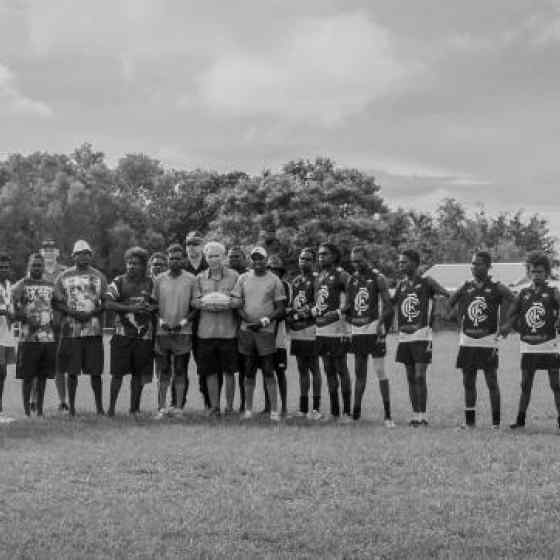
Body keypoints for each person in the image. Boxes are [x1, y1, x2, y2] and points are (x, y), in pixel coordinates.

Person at [448, 251, 513, 429]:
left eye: (478, 264)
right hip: (467, 341)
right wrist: (456, 316)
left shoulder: (497, 287)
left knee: (491, 381)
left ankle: (496, 424)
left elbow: (516, 302)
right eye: (472, 264)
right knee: (468, 381)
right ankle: (470, 423)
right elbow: (450, 303)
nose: (474, 267)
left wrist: (507, 324)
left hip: (488, 340)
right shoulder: (465, 286)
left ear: (488, 266)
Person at [501, 253, 560, 431]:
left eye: (540, 272)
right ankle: (520, 420)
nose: (536, 275)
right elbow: (512, 313)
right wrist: (509, 327)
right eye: (533, 272)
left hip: (550, 345)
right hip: (528, 346)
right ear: (529, 273)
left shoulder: (553, 292)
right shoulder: (523, 293)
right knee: (526, 384)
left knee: (556, 385)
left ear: (547, 273)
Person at [393, 249, 449, 426]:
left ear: (415, 264)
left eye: (405, 262)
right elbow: (391, 304)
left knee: (419, 376)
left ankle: (423, 415)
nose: (401, 265)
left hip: (422, 336)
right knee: (410, 377)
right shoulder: (401, 284)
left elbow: (446, 295)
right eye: (400, 262)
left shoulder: (427, 282)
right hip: (404, 336)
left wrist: (438, 311)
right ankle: (415, 415)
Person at [231, 246, 286, 422]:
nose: (258, 262)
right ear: (251, 261)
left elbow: (280, 309)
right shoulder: (243, 278)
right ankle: (248, 409)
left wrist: (263, 321)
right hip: (247, 331)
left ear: (266, 260)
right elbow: (237, 304)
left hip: (266, 331)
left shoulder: (274, 280)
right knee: (248, 370)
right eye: (254, 259)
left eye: (261, 259)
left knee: (269, 371)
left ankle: (274, 411)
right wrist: (248, 321)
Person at [54, 240, 107, 416]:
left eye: (87, 253)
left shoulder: (99, 276)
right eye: (79, 253)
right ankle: (72, 409)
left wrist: (91, 313)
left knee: (96, 372)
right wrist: (73, 313)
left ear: (91, 255)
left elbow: (106, 302)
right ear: (73, 256)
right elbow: (57, 302)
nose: (83, 256)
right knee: (72, 371)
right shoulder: (63, 276)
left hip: (93, 330)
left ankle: (99, 408)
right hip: (71, 331)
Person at [345, 246, 394, 425]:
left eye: (359, 260)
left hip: (374, 329)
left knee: (380, 371)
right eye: (353, 261)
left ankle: (388, 415)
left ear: (367, 258)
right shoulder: (352, 280)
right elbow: (348, 306)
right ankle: (356, 415)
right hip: (357, 331)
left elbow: (389, 306)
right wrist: (345, 316)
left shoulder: (378, 278)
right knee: (359, 374)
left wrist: (381, 326)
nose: (356, 264)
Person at [105, 247, 157, 416]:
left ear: (143, 265)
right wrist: (131, 308)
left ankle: (134, 408)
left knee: (138, 374)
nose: (131, 266)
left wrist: (149, 308)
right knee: (117, 374)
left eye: (135, 263)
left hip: (144, 336)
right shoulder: (119, 281)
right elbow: (108, 303)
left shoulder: (151, 283)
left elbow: (157, 304)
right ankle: (111, 409)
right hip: (122, 335)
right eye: (129, 263)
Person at [192, 241, 240, 415]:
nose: (213, 259)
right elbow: (195, 301)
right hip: (206, 333)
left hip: (229, 333)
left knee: (229, 372)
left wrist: (226, 303)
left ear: (224, 256)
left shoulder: (235, 276)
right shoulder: (199, 278)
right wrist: (208, 304)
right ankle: (214, 407)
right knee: (210, 372)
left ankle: (229, 408)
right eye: (210, 256)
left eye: (217, 255)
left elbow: (239, 300)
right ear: (206, 258)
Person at [152, 243, 196, 418]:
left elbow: (195, 307)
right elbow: (153, 305)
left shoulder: (192, 279)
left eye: (178, 258)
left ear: (183, 260)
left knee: (180, 370)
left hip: (183, 333)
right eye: (171, 258)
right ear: (167, 260)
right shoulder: (159, 279)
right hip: (162, 332)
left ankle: (178, 408)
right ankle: (161, 408)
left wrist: (182, 323)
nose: (175, 261)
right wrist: (161, 321)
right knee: (163, 372)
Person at [12, 253, 57, 417]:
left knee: (43, 376)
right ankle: (26, 412)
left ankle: (39, 410)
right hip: (28, 338)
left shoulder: (50, 285)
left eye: (39, 265)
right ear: (29, 266)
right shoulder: (20, 285)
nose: (37, 267)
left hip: (47, 338)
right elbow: (13, 310)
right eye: (34, 265)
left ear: (43, 267)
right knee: (27, 376)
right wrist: (25, 316)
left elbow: (58, 304)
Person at [313, 242, 352, 423]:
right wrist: (312, 311)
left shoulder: (342, 275)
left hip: (338, 331)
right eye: (319, 254)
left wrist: (338, 312)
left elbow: (353, 298)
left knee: (341, 370)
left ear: (335, 256)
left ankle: (347, 413)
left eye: (325, 254)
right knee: (328, 370)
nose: (321, 257)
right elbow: (319, 303)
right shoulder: (319, 276)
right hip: (321, 331)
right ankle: (334, 412)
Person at [287, 248, 322, 420]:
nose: (304, 262)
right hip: (297, 331)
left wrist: (301, 314)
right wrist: (292, 317)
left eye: (308, 259)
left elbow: (317, 304)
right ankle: (302, 408)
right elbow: (292, 304)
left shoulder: (317, 280)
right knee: (301, 369)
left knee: (314, 368)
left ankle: (315, 409)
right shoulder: (296, 281)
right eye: (301, 258)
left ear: (314, 262)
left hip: (311, 329)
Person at [34, 239, 68, 412]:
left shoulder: (65, 272)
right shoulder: (34, 271)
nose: (48, 252)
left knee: (59, 364)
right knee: (36, 362)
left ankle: (63, 401)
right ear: (41, 251)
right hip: (38, 325)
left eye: (51, 249)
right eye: (45, 249)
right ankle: (33, 400)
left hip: (60, 324)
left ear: (57, 252)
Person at [179, 230, 210, 410]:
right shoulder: (179, 267)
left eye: (196, 243)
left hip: (205, 324)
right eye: (189, 243)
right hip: (183, 323)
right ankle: (178, 403)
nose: (192, 247)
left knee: (204, 366)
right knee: (180, 366)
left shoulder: (211, 266)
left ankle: (209, 403)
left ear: (202, 246)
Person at [264, 256, 289, 416]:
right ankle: (268, 406)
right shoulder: (264, 284)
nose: (273, 272)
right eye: (271, 269)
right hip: (264, 334)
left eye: (276, 270)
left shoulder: (285, 285)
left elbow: (284, 311)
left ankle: (284, 407)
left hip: (278, 335)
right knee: (267, 371)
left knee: (279, 372)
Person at [227, 245, 248, 412]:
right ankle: (223, 405)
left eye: (237, 256)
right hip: (227, 329)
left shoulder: (248, 276)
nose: (233, 259)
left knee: (244, 370)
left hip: (245, 328)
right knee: (226, 370)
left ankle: (243, 404)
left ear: (244, 258)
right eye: (231, 256)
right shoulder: (225, 275)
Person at [0, 253, 16, 421]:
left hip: (6, 334)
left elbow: (10, 306)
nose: (4, 270)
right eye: (1, 267)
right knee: (0, 371)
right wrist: (5, 312)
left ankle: (0, 408)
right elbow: (5, 309)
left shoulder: (8, 285)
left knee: (3, 373)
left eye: (6, 267)